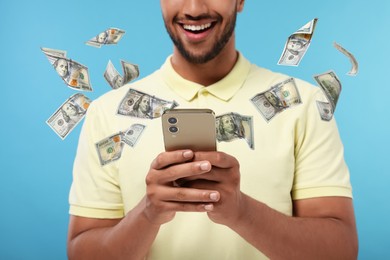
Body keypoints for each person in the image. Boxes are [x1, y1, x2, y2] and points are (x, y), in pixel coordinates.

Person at [67, 1, 358, 259]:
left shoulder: (304, 104)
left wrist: (241, 212)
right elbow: (82, 253)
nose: (194, 9)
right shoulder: (106, 113)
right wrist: (149, 213)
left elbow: (341, 251)